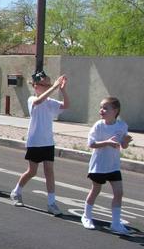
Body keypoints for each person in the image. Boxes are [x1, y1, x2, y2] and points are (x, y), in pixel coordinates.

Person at [10, 71, 69, 215]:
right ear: (36, 86)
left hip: (48, 141)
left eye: (49, 84)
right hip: (35, 141)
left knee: (49, 172)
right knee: (32, 171)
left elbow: (66, 105)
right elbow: (38, 101)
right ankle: (16, 192)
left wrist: (63, 90)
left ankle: (51, 203)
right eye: (45, 84)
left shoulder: (51, 103)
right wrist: (54, 87)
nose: (49, 86)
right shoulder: (32, 99)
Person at [81, 97, 132, 234]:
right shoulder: (98, 126)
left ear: (115, 111)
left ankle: (115, 223)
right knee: (95, 190)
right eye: (101, 107)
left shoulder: (122, 126)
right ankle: (86, 216)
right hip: (99, 165)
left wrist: (126, 141)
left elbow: (123, 145)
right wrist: (107, 142)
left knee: (119, 193)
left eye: (105, 108)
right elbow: (91, 144)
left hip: (113, 166)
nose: (101, 110)